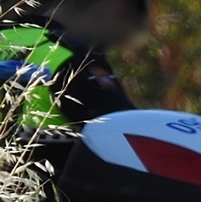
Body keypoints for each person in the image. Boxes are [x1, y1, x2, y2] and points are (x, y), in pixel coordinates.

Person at [0, 0, 145, 170]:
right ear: (114, 7)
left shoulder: (7, 37)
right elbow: (129, 136)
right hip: (43, 183)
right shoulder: (72, 58)